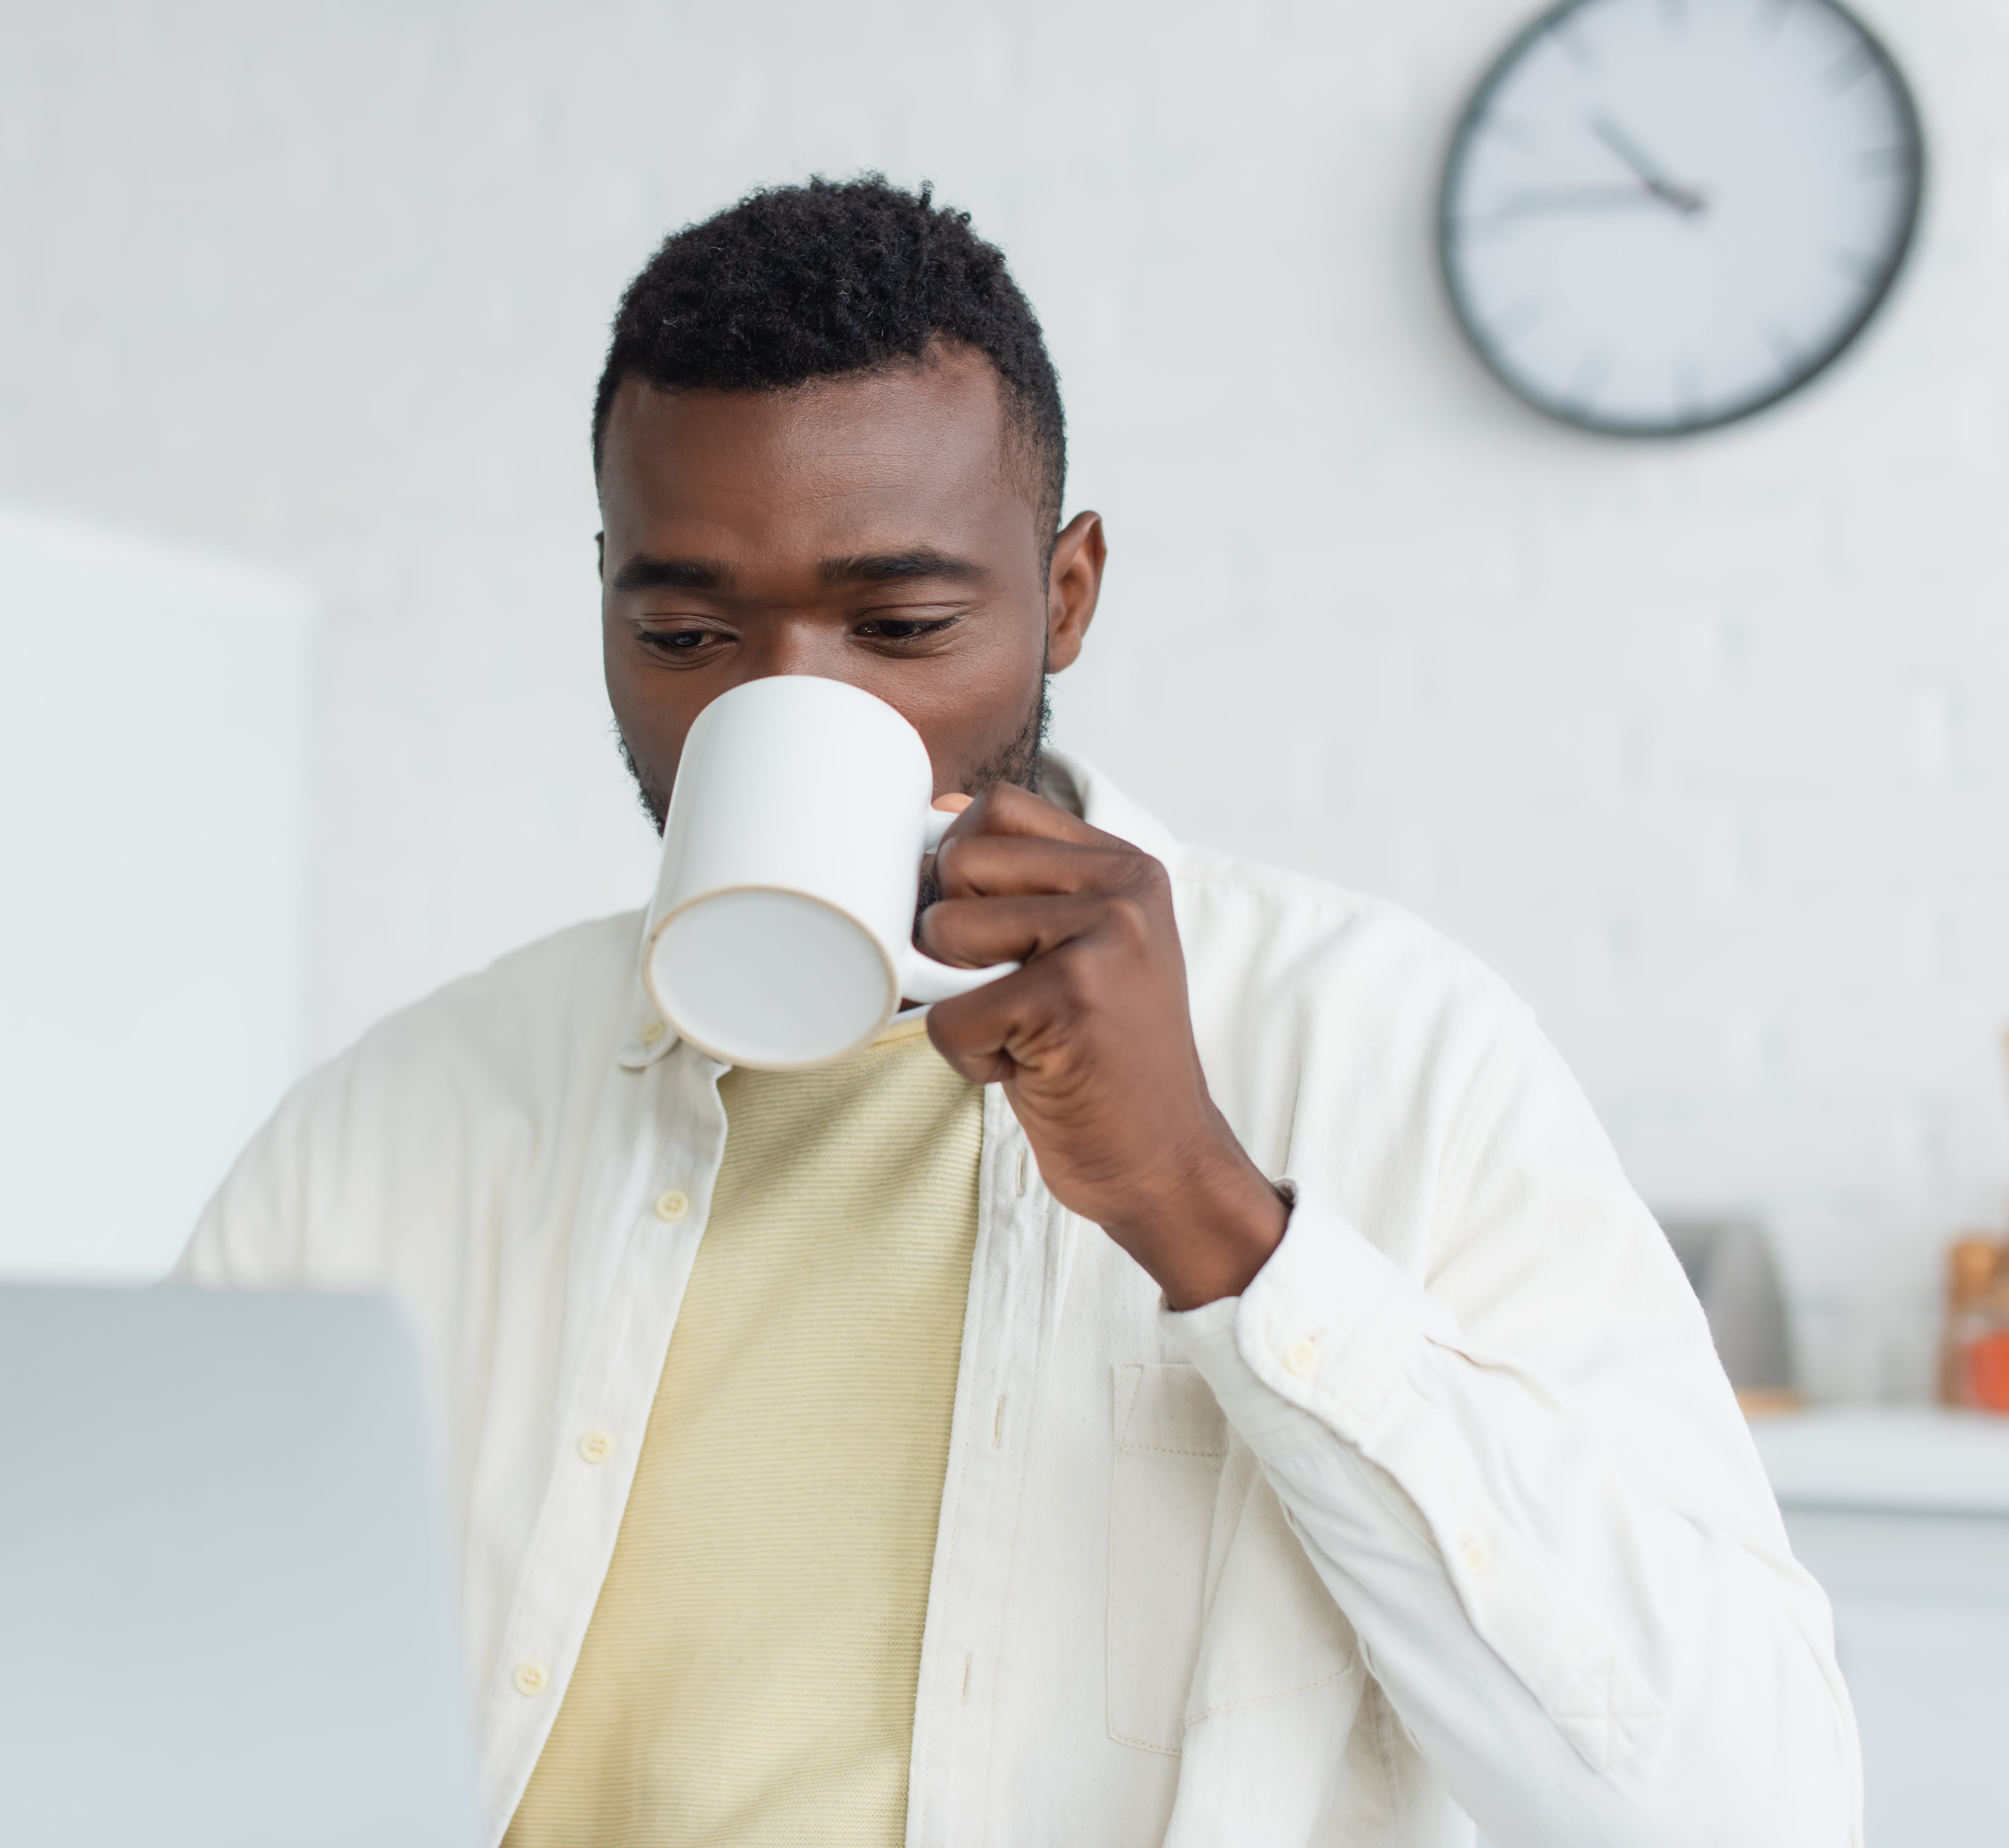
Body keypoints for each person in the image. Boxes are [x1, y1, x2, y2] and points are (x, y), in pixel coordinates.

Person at [180, 175, 1857, 1848]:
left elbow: (1746, 1802)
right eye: (686, 630)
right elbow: (154, 1683)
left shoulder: (1385, 1046)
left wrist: (1209, 1211)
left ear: (1064, 595)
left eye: (902, 626)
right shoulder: (405, 1114)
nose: (785, 707)